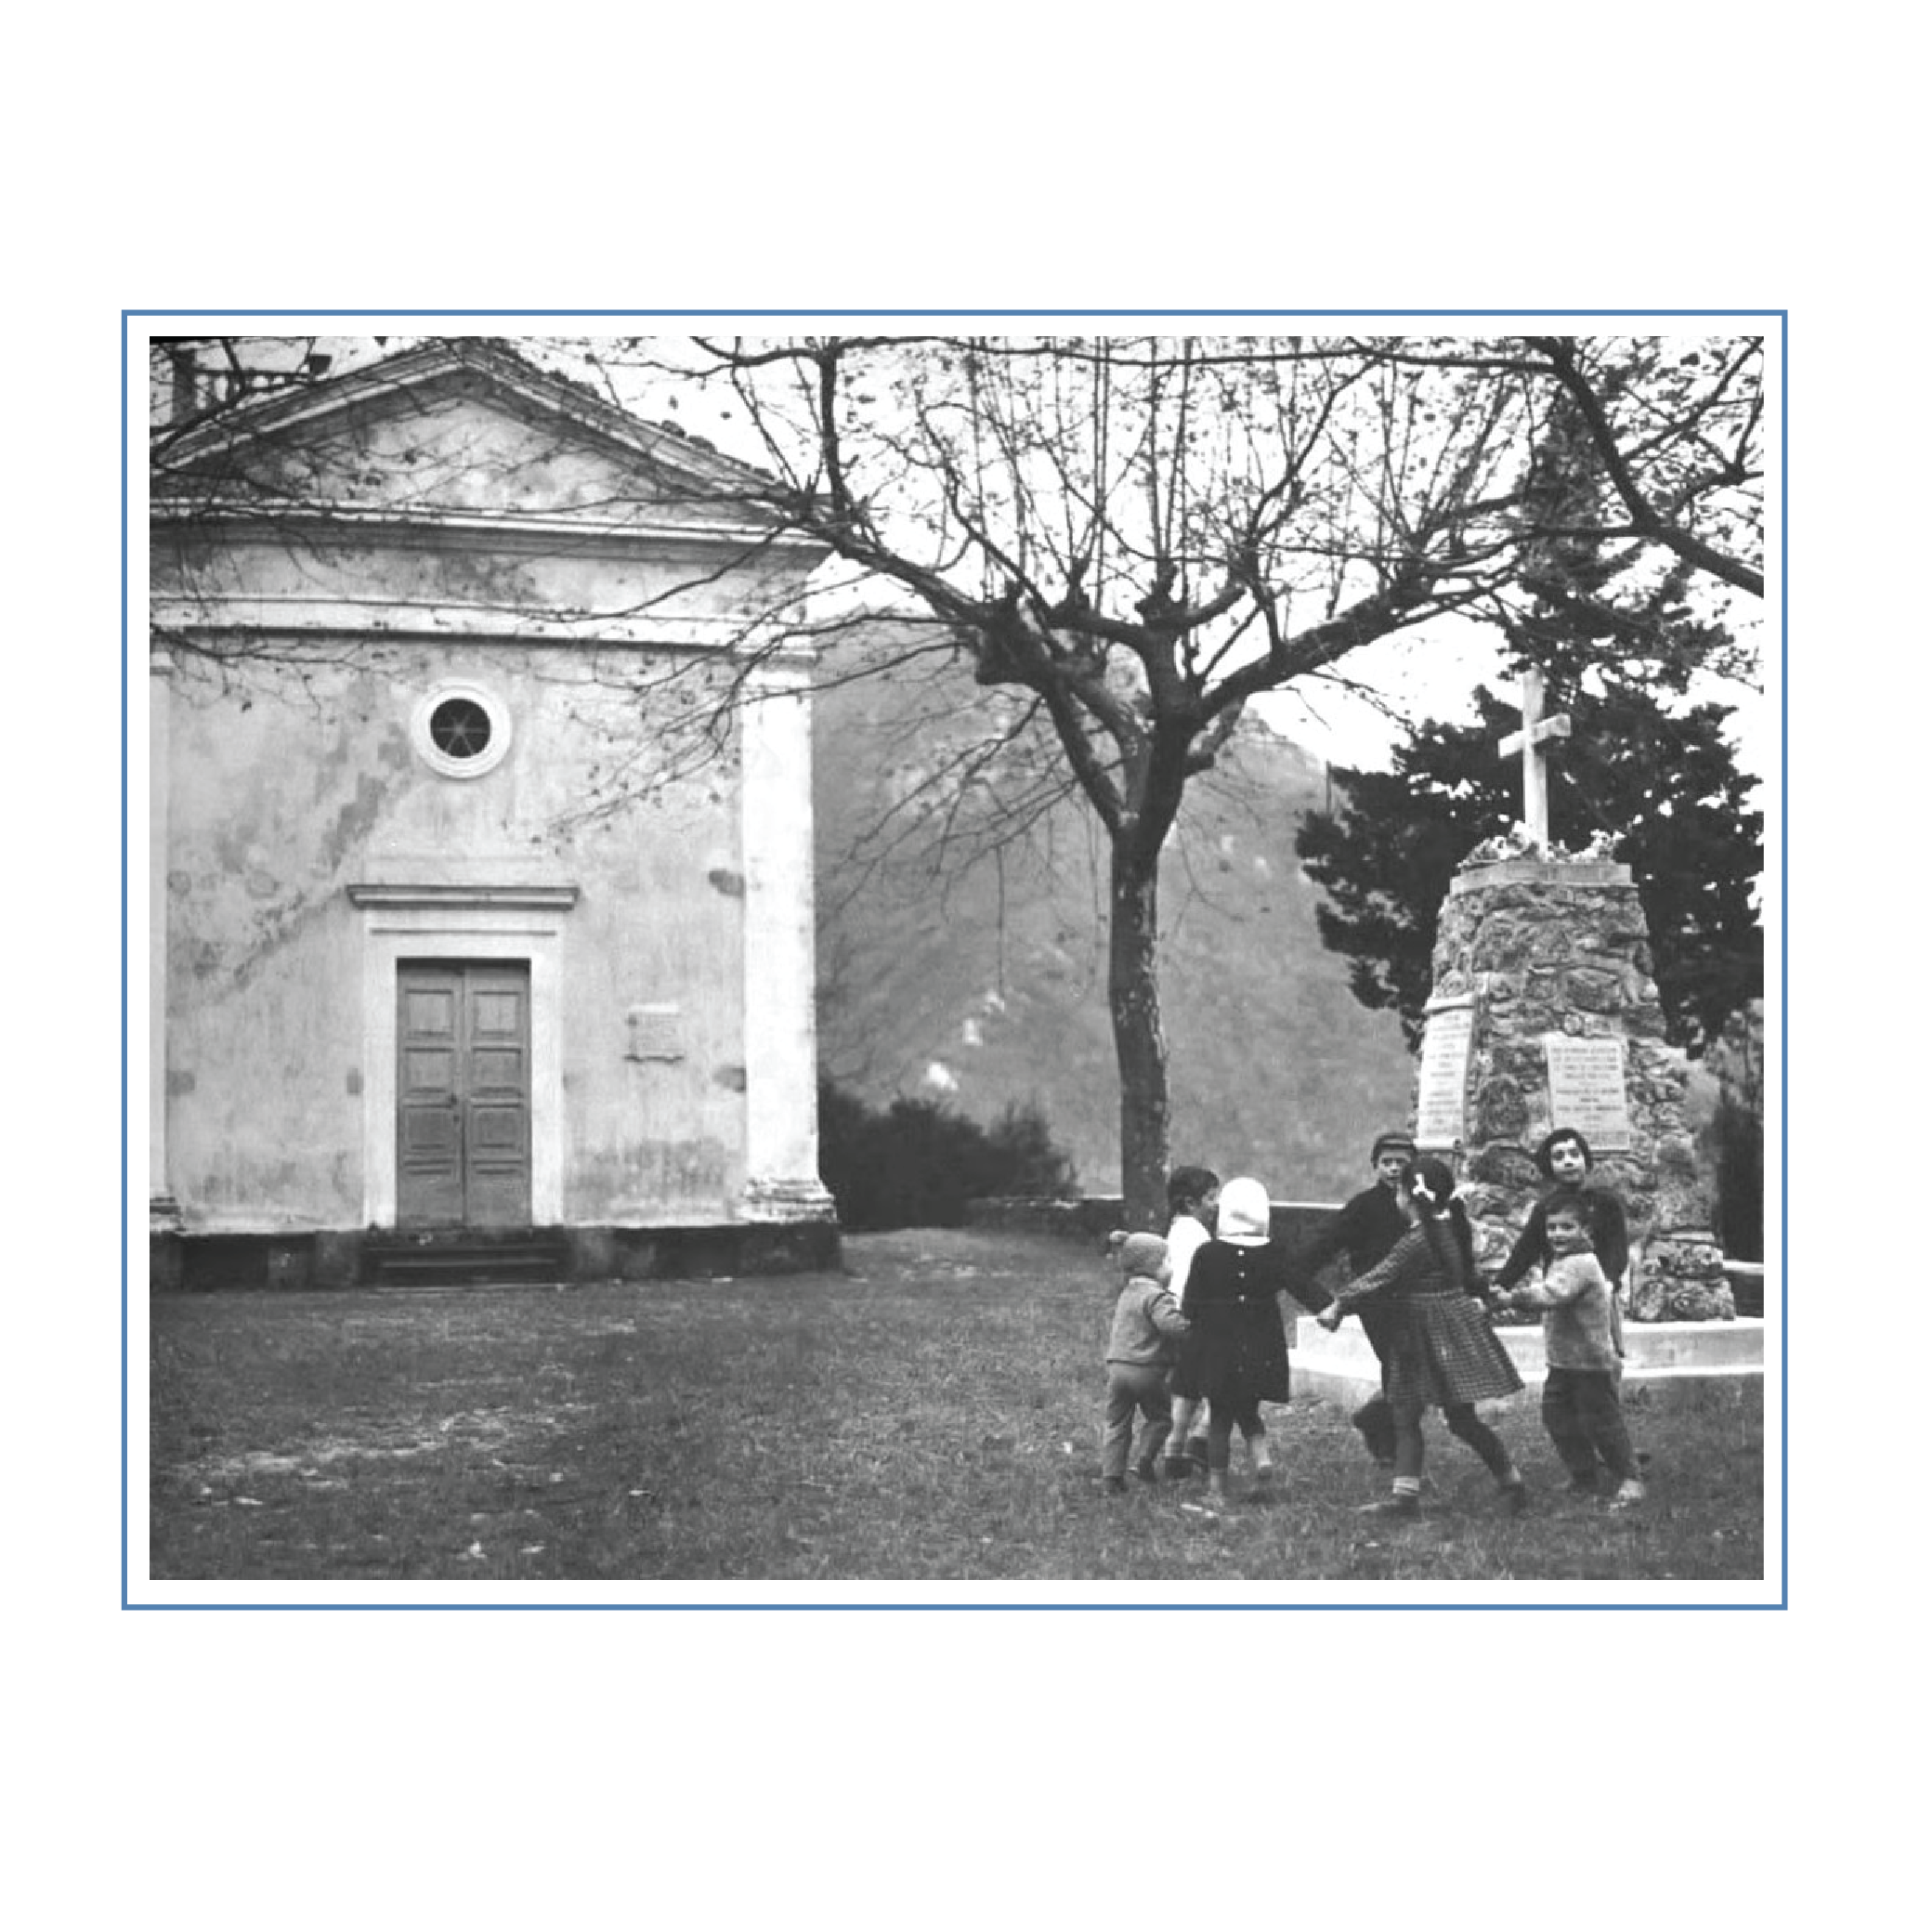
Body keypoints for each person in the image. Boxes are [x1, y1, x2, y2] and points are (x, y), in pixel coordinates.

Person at [1317, 1156, 1527, 1520]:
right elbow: (1466, 1274)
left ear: (1406, 1196)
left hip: (1420, 1334)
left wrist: (1339, 1304)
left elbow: (1381, 1276)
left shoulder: (1416, 1240)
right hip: (1447, 1331)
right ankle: (1509, 1482)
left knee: (1406, 1414)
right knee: (1458, 1418)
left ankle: (1407, 1498)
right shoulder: (1448, 1230)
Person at [1182, 1177, 1334, 1508]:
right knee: (1248, 1408)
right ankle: (1261, 1455)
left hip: (1219, 1345)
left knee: (1220, 1417)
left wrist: (1188, 1326)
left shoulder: (1207, 1253)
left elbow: (1191, 1303)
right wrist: (1328, 1307)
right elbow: (1300, 1283)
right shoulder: (1274, 1252)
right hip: (1260, 1343)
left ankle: (1217, 1489)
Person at [1491, 1191, 1647, 1511]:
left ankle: (1630, 1476)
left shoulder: (1582, 1263)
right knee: (1557, 1417)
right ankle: (1584, 1474)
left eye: (1567, 1227)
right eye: (1551, 1228)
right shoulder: (1562, 1260)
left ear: (1585, 1231)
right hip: (1563, 1361)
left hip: (1590, 1362)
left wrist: (1512, 1298)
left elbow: (1553, 1294)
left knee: (1602, 1421)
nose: (1557, 1234)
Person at [1297, 1131, 1418, 1467]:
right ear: (1375, 1166)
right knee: (1397, 1366)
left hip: (1416, 1299)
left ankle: (1375, 1418)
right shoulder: (1363, 1206)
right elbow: (1323, 1246)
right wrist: (1310, 1287)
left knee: (1411, 1369)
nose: (1393, 1169)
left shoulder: (1421, 1204)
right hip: (1376, 1302)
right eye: (1386, 1162)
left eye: (1401, 1162)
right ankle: (1390, 1445)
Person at [1102, 1231, 1190, 1495]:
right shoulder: (1157, 1296)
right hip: (1147, 1369)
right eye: (1167, 1262)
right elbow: (1170, 1326)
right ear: (1153, 1266)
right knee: (1160, 1418)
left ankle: (1111, 1476)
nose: (1170, 1268)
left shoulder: (1127, 1292)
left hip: (1117, 1367)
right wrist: (1190, 1327)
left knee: (1116, 1422)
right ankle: (1143, 1460)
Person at [1160, 1165, 1220, 1482]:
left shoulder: (1176, 1230)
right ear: (1190, 1203)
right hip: (1195, 1318)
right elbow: (1190, 1282)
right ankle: (1201, 1437)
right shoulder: (1196, 1236)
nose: (1216, 1204)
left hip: (1177, 1317)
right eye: (1210, 1197)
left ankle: (1174, 1452)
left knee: (1187, 1390)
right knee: (1222, 1384)